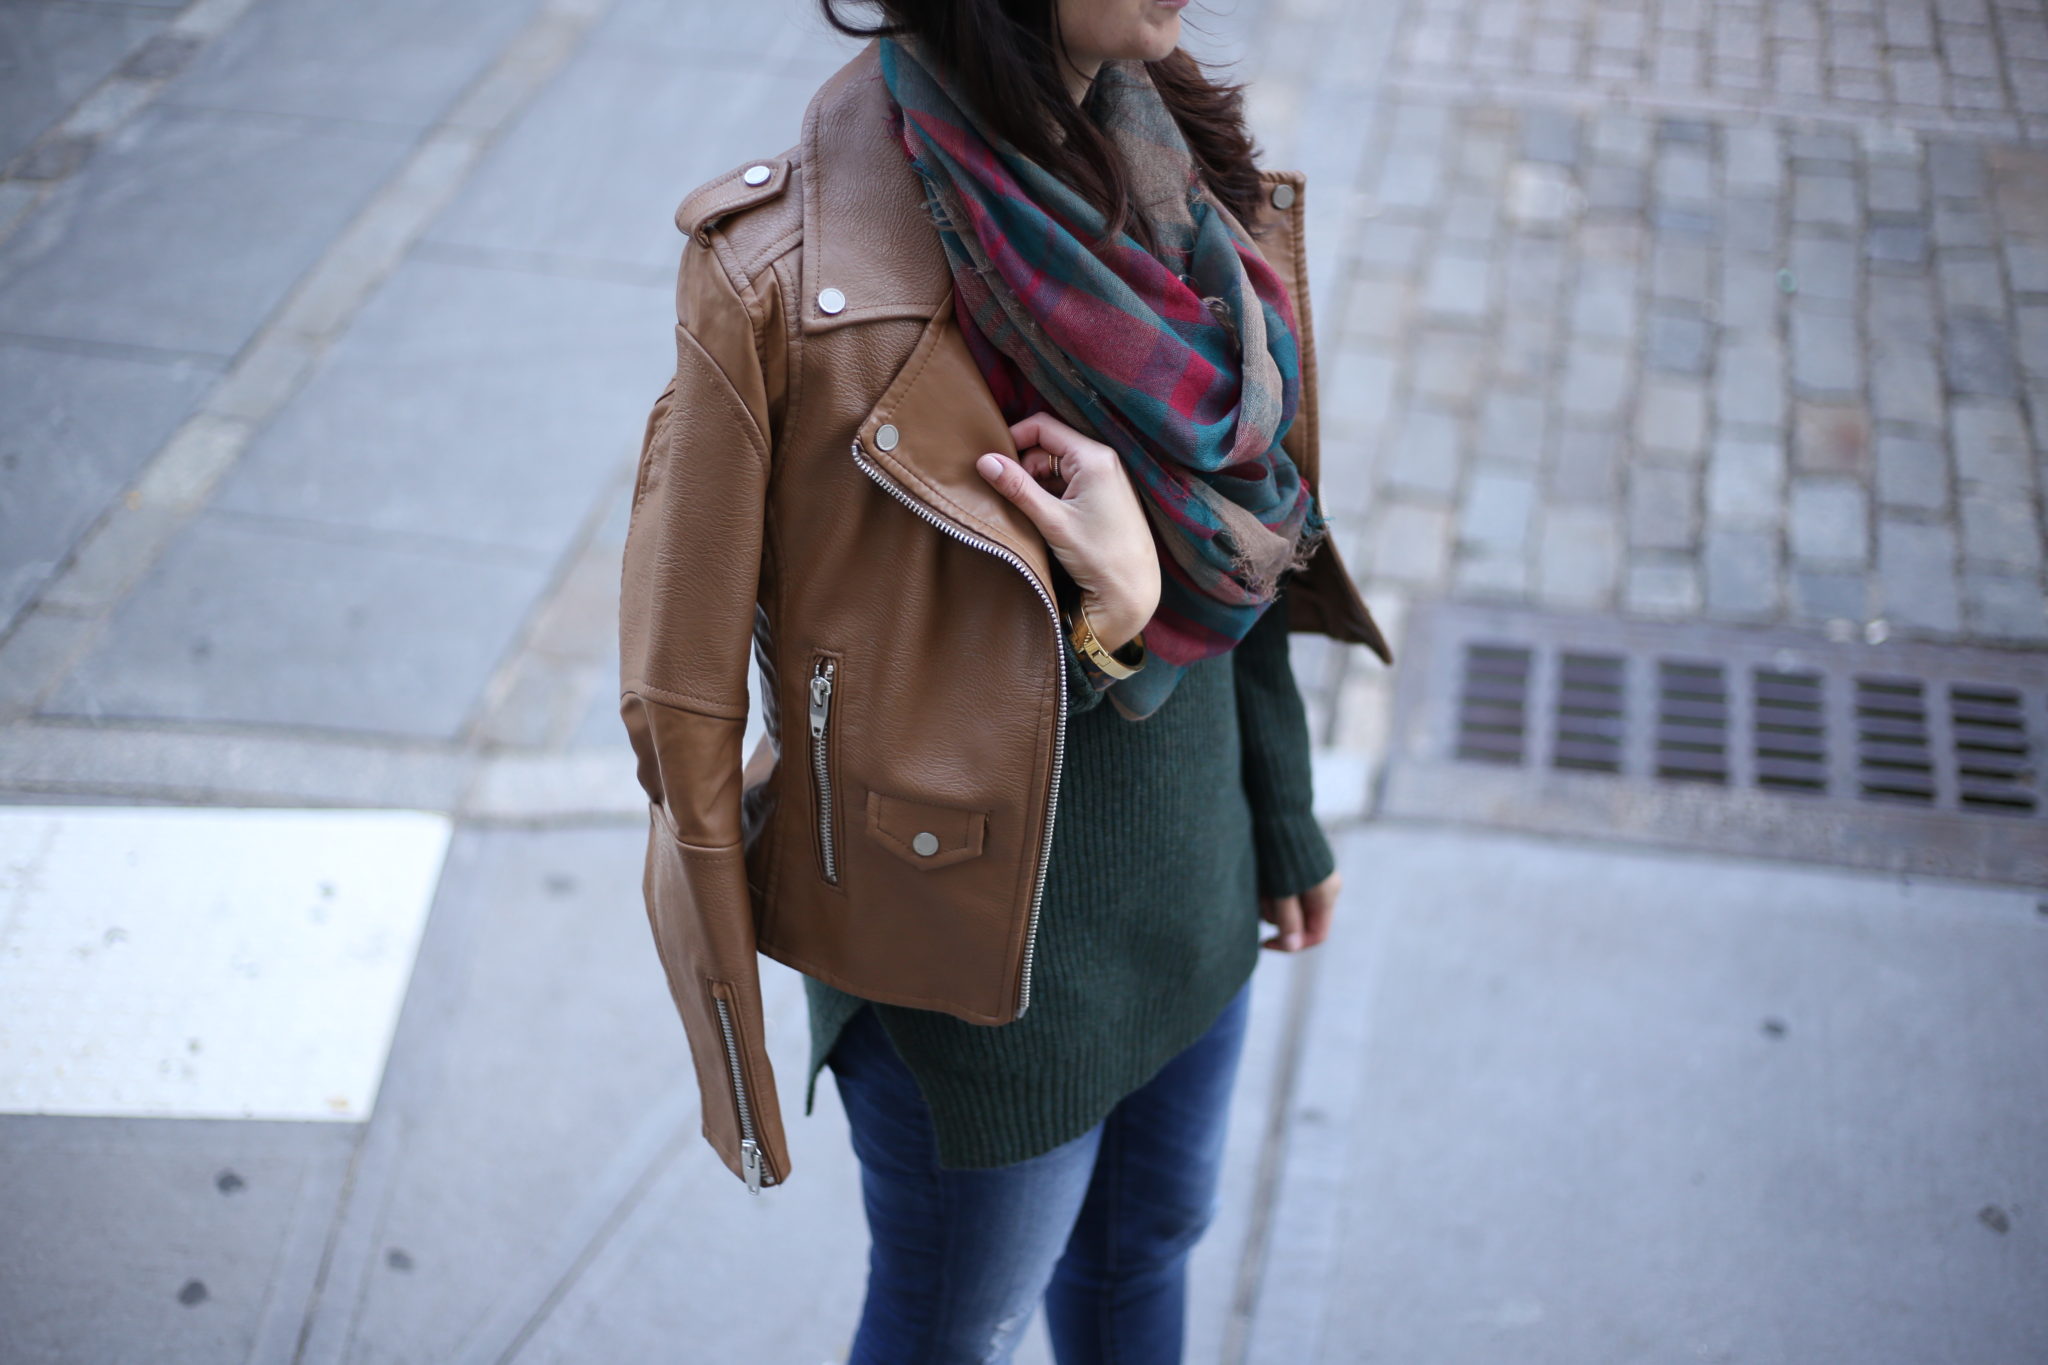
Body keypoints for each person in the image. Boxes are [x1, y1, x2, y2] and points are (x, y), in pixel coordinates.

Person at [616, 1, 1393, 1361]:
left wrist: (1282, 809)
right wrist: (1119, 613)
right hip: (982, 981)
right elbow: (683, 697)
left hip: (1195, 890)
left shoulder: (1172, 152)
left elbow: (1257, 538)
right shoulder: (794, 283)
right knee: (949, 1336)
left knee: (1146, 1262)